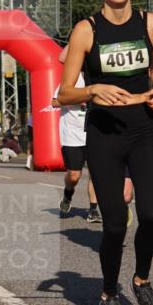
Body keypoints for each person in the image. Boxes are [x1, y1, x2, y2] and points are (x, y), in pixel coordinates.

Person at [57, 0, 153, 305]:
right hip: (104, 134)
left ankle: (141, 281)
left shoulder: (152, 24)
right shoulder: (86, 30)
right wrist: (93, 90)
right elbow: (64, 93)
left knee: (151, 215)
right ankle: (108, 293)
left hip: (144, 129)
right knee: (116, 223)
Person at [53, 47, 101, 223]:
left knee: (96, 172)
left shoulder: (98, 81)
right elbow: (55, 101)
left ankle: (93, 209)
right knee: (74, 175)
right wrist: (81, 98)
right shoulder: (73, 78)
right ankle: (68, 194)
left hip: (95, 131)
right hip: (72, 134)